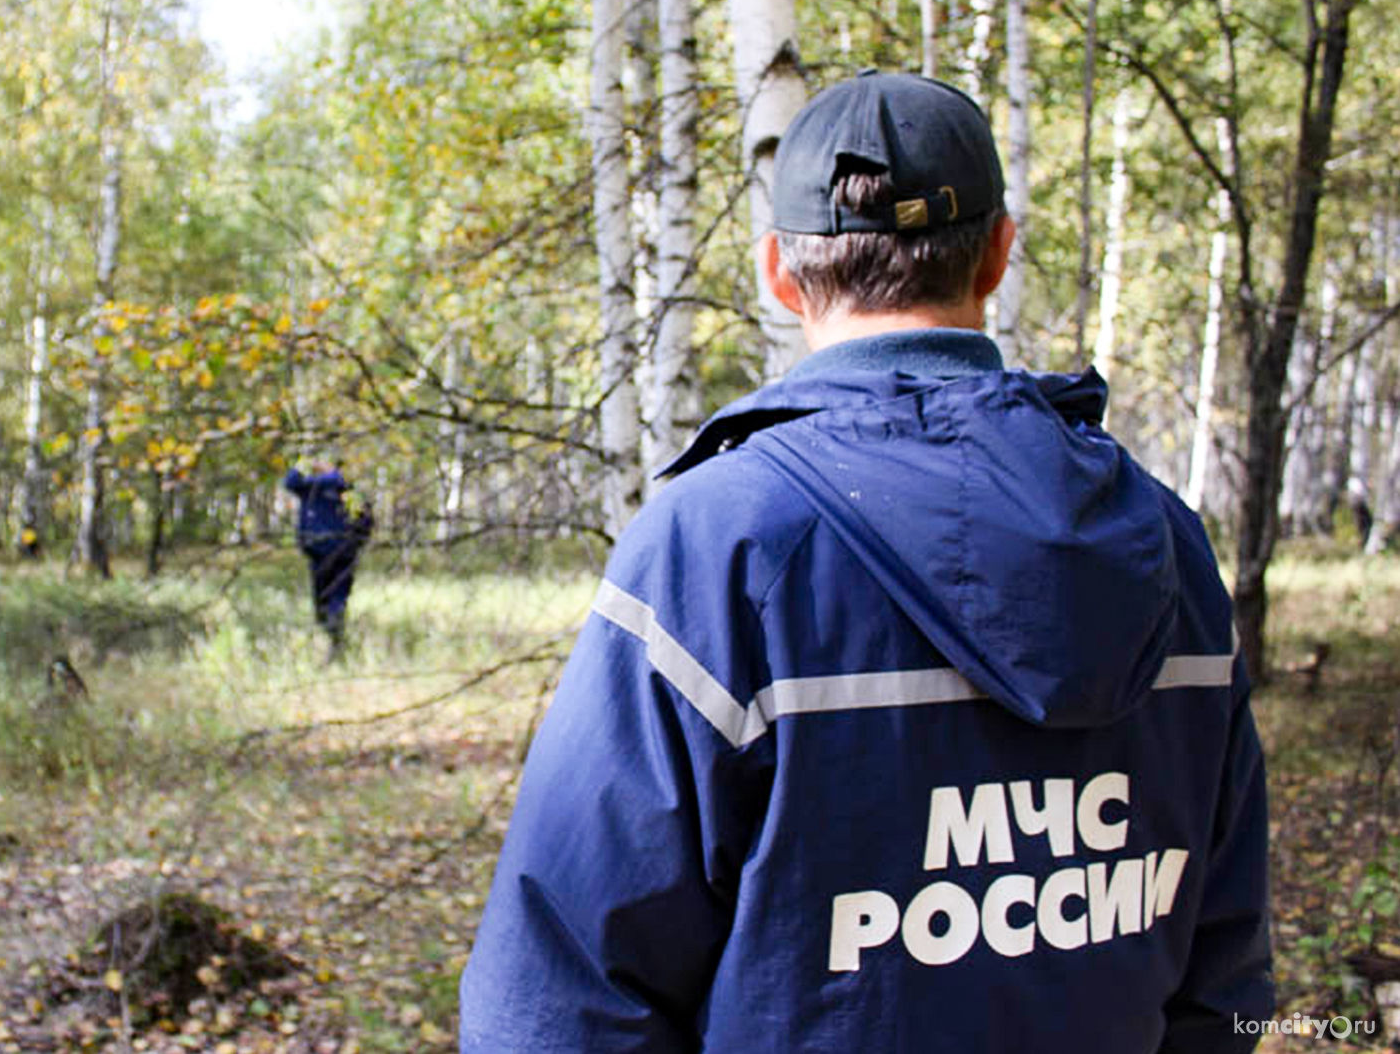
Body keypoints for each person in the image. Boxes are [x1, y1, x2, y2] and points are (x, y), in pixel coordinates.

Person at [461, 72, 1271, 1052]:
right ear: (999, 255)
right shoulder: (1166, 545)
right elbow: (1227, 980)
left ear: (779, 272)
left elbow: (558, 999)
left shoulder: (718, 548)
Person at [283, 459, 371, 649]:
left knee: (327, 598)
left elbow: (290, 481)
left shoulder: (315, 486)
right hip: (336, 552)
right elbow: (365, 520)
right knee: (335, 598)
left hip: (326, 551)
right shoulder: (342, 488)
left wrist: (304, 464)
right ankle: (334, 638)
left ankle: (334, 639)